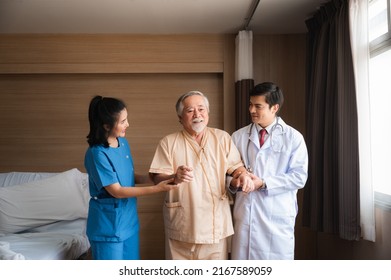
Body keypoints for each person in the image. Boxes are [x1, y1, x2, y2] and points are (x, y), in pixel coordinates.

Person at [149, 90, 254, 260]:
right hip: (182, 225)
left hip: (215, 226)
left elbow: (236, 168)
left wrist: (243, 176)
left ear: (208, 113)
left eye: (201, 109)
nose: (197, 114)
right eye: (190, 111)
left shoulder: (222, 138)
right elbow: (157, 177)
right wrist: (175, 177)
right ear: (180, 118)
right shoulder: (168, 142)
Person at [84, 95, 180, 260]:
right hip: (108, 227)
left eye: (126, 119)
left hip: (129, 223)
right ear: (106, 125)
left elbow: (127, 176)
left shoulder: (123, 143)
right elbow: (117, 191)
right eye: (122, 121)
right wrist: (157, 188)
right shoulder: (96, 154)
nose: (127, 124)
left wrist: (163, 177)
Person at [229, 82, 308, 260]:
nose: (251, 110)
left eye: (258, 106)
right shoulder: (238, 136)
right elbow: (227, 172)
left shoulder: (293, 138)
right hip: (246, 213)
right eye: (250, 105)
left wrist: (264, 183)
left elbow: (299, 177)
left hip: (277, 213)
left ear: (274, 108)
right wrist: (235, 181)